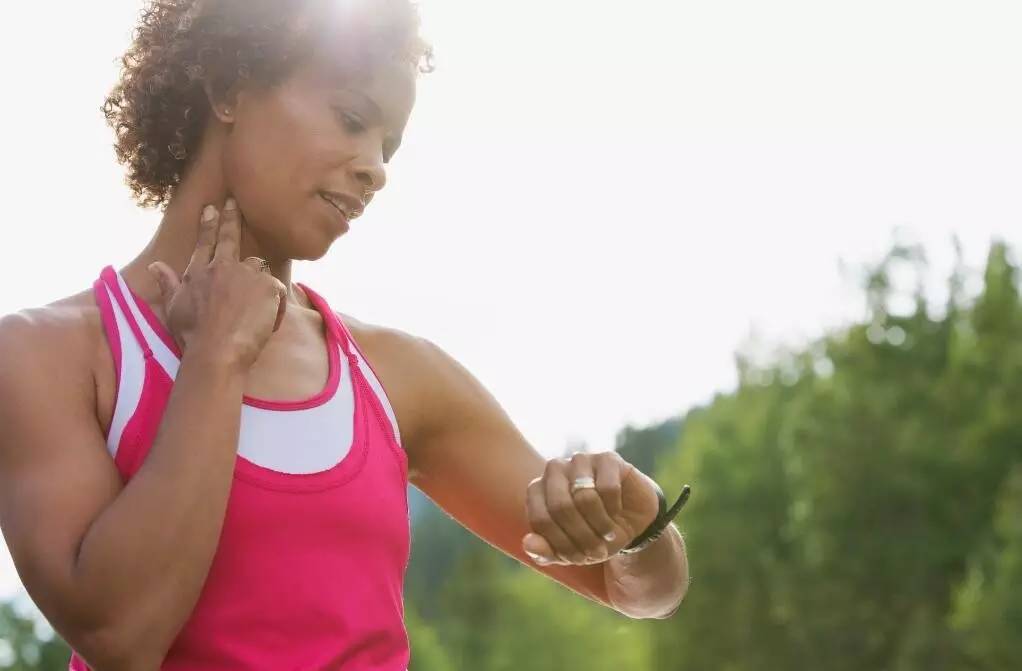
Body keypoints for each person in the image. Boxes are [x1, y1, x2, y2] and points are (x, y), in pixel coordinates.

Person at [0, 0, 690, 668]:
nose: (377, 168)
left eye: (388, 145)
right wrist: (215, 358)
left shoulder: (396, 375)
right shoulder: (46, 357)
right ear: (228, 86)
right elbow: (121, 636)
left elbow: (640, 588)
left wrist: (641, 525)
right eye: (353, 119)